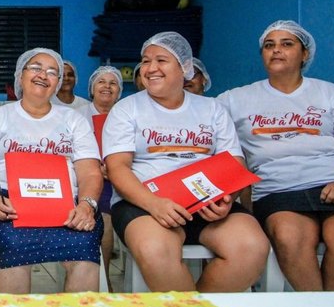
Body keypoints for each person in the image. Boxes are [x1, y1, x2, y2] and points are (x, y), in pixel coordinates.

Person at [103, 32, 268, 292]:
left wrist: (227, 198)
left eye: (161, 60)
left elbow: (233, 162)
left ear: (185, 68)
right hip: (144, 202)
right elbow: (117, 168)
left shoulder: (211, 109)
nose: (150, 68)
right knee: (156, 250)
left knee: (252, 247)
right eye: (145, 61)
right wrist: (154, 204)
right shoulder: (127, 109)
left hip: (207, 203)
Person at [217, 20, 334, 291]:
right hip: (278, 190)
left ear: (305, 53)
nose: (276, 50)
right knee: (289, 238)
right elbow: (198, 124)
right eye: (269, 45)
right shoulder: (235, 99)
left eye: (287, 44)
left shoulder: (329, 93)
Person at [0, 48, 104, 294]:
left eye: (53, 72)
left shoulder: (74, 120)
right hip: (7, 205)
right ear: (21, 75)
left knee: (84, 241)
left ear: (58, 83)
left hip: (67, 205)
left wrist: (86, 205)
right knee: (16, 243)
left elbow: (90, 173)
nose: (43, 75)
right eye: (36, 68)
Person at [76, 65, 123, 290]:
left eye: (113, 83)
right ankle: (103, 282)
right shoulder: (78, 116)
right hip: (93, 177)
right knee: (103, 218)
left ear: (119, 91)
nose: (107, 87)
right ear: (92, 88)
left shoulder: (125, 114)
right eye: (101, 82)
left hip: (123, 175)